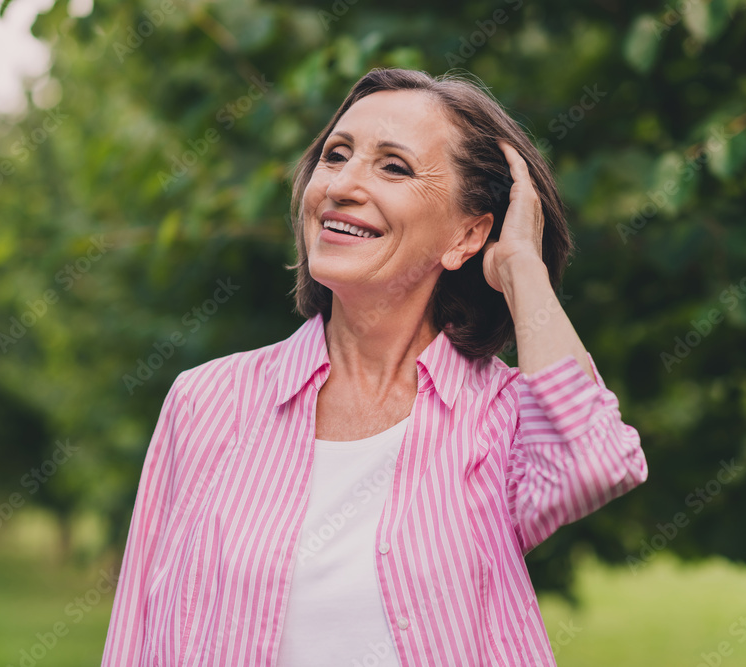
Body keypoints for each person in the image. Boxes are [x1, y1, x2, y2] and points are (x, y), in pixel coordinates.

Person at [100, 68, 648, 666]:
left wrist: (522, 268)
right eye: (336, 156)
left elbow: (597, 462)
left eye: (394, 167)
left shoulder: (500, 415)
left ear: (467, 235)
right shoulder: (206, 401)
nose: (341, 185)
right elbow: (137, 635)